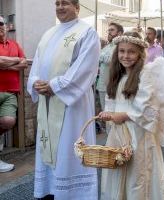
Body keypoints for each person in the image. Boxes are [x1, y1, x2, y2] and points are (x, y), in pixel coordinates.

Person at [100, 31, 164, 200]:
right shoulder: (116, 75)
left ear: (140, 54)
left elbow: (147, 107)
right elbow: (110, 100)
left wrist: (123, 115)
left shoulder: (145, 75)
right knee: (118, 172)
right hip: (118, 134)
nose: (125, 56)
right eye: (122, 51)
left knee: (137, 175)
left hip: (137, 135)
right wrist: (108, 113)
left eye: (131, 52)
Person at [27, 0, 100, 199]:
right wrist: (35, 82)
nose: (60, 7)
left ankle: (75, 193)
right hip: (48, 101)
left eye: (65, 3)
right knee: (49, 145)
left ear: (77, 7)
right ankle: (51, 190)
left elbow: (86, 68)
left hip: (72, 104)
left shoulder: (87, 33)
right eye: (57, 3)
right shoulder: (48, 34)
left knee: (69, 146)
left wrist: (55, 85)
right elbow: (37, 64)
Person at [0, 16, 27, 173]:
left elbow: (23, 63)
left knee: (8, 121)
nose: (0, 26)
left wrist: (5, 63)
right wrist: (14, 60)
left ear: (7, 26)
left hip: (10, 93)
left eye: (1, 23)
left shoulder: (15, 44)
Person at [96, 22, 123, 113]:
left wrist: (101, 56)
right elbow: (98, 58)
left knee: (112, 114)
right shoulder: (108, 46)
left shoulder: (120, 46)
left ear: (119, 33)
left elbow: (110, 59)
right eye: (109, 30)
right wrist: (101, 56)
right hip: (102, 85)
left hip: (113, 86)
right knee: (105, 113)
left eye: (112, 30)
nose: (109, 32)